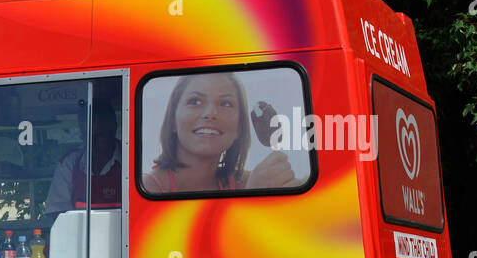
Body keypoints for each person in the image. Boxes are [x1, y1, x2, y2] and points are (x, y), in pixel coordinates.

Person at [142, 72, 295, 194]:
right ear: (173, 120)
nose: (210, 113)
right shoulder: (149, 188)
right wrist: (251, 200)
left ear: (239, 127)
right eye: (195, 101)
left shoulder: (249, 182)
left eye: (225, 104)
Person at [43, 99, 121, 223]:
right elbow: (56, 211)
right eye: (87, 136)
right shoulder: (69, 163)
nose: (92, 143)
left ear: (113, 129)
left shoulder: (129, 161)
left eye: (99, 136)